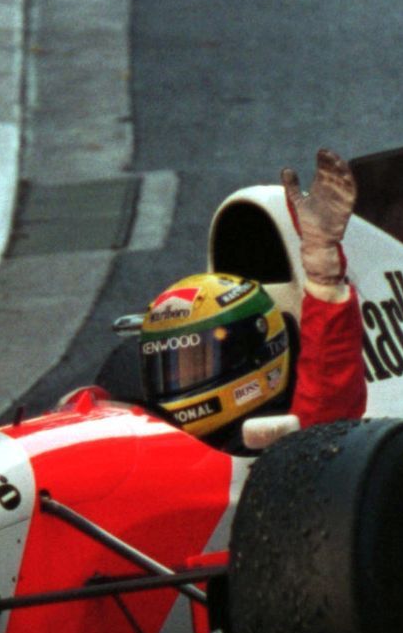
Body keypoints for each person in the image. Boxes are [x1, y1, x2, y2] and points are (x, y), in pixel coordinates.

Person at [136, 149, 368, 447]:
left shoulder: (293, 442)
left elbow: (329, 390)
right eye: (169, 367)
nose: (181, 379)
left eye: (198, 361)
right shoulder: (148, 435)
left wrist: (323, 268)